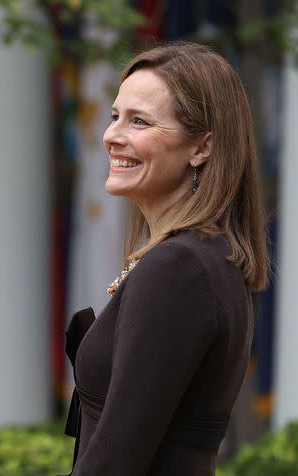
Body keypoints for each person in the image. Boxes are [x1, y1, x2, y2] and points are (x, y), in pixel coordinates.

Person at [65, 42, 269, 475]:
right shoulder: (203, 258)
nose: (112, 135)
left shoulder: (181, 269)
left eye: (139, 121)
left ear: (201, 148)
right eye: (115, 115)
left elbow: (115, 461)